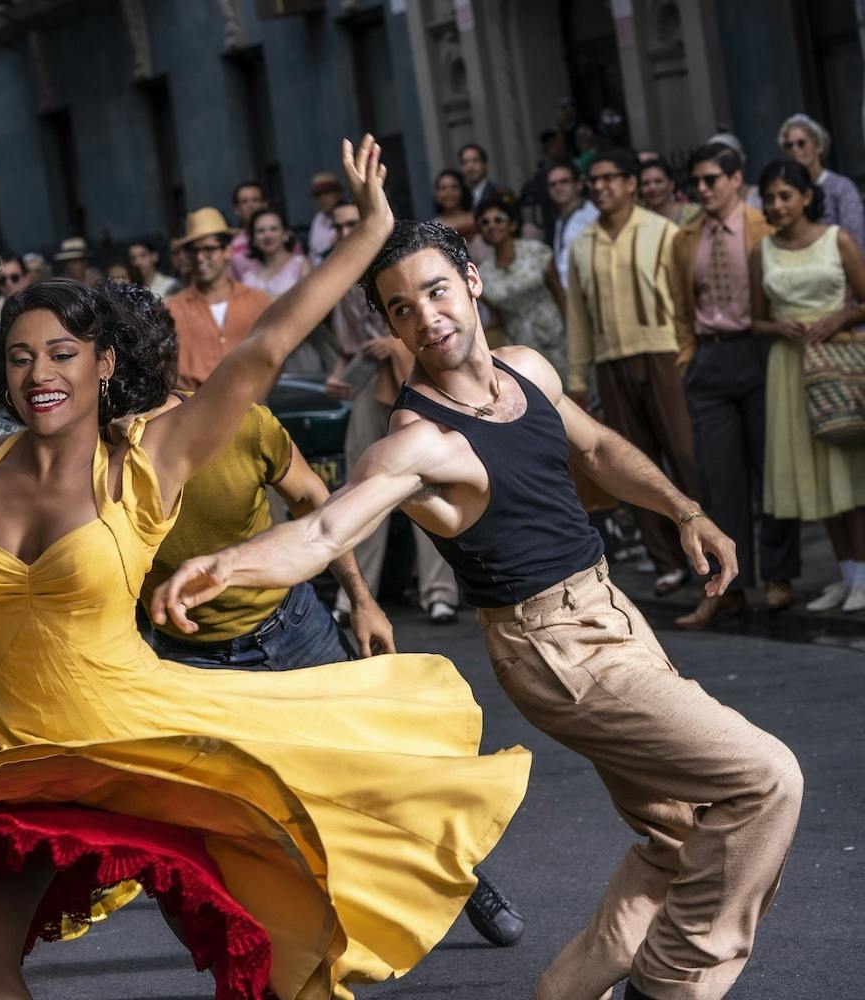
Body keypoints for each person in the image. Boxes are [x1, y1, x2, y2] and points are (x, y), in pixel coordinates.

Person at [0, 137, 531, 1000]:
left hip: (134, 736)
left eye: (61, 354)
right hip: (9, 747)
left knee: (264, 917)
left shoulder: (147, 459)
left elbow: (263, 349)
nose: (38, 373)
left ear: (102, 365)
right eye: (18, 357)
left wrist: (366, 233)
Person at [153, 218, 804, 1000]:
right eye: (400, 309)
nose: (426, 317)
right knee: (765, 779)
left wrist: (683, 507)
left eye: (434, 291)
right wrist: (226, 563)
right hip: (557, 651)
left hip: (611, 613)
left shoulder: (525, 369)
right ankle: (669, 985)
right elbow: (326, 527)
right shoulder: (419, 441)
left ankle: (565, 991)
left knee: (676, 838)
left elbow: (596, 449)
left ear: (471, 281)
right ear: (388, 326)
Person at [123, 286, 525, 948]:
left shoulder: (242, 425)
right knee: (247, 817)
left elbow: (318, 507)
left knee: (382, 766)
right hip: (193, 662)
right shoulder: (94, 462)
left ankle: (461, 873)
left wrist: (362, 601)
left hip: (293, 631)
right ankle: (298, 947)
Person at [667, 145, 803, 627]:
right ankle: (729, 588)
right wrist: (688, 357)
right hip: (709, 356)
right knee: (720, 480)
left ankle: (779, 577)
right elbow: (681, 306)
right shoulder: (685, 238)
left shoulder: (763, 227)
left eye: (711, 180)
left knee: (773, 473)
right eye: (696, 181)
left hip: (759, 350)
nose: (702, 189)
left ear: (735, 180)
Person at [566, 148, 700, 595]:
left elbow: (684, 302)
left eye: (609, 178)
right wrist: (578, 379)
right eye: (594, 180)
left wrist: (684, 352)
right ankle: (665, 560)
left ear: (630, 183)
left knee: (683, 454)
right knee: (630, 461)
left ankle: (703, 546)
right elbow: (579, 317)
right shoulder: (582, 243)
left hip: (662, 354)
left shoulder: (662, 231)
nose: (600, 187)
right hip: (610, 360)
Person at [325, 200, 464, 625]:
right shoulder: (343, 278)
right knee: (361, 489)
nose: (349, 229)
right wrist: (341, 372)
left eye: (356, 220)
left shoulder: (406, 262)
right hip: (371, 385)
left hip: (422, 378)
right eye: (341, 224)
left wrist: (395, 344)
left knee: (429, 484)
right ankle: (355, 595)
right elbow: (348, 345)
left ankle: (439, 591)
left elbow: (436, 323)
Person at [751, 160, 865, 613]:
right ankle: (846, 574)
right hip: (790, 366)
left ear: (805, 197)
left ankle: (863, 573)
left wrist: (838, 316)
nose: (776, 205)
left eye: (784, 195)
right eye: (769, 197)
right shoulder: (762, 250)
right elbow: (753, 319)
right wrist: (780, 328)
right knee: (818, 476)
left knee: (848, 469)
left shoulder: (837, 239)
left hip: (838, 358)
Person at [164, 207, 272, 389]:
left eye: (209, 249)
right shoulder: (173, 308)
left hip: (253, 407)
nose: (200, 257)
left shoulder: (257, 301)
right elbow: (166, 367)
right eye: (194, 251)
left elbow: (274, 355)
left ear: (227, 251)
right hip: (195, 410)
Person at [475, 191, 568, 380]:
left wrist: (576, 337)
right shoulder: (482, 273)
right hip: (521, 350)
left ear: (513, 224)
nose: (492, 225)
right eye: (485, 222)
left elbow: (560, 295)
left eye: (498, 219)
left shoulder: (537, 252)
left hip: (557, 338)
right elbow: (496, 318)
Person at [778, 112, 865, 250]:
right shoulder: (786, 191)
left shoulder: (841, 187)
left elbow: (855, 239)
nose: (795, 149)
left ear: (818, 146)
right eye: (789, 146)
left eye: (801, 143)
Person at [240, 206, 311, 300]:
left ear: (285, 234)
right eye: (260, 231)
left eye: (273, 229)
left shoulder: (301, 265)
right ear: (253, 238)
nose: (267, 235)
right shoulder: (249, 277)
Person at [547, 162, 600, 288]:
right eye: (552, 184)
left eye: (564, 181)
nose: (558, 187)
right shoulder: (559, 221)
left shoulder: (593, 214)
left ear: (578, 185)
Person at [227, 178, 270, 281]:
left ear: (265, 204)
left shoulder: (284, 238)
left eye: (255, 200)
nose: (250, 205)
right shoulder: (231, 248)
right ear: (236, 210)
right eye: (244, 201)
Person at [638, 160, 699, 227]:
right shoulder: (639, 220)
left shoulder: (695, 214)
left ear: (671, 185)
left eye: (658, 181)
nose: (652, 188)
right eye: (646, 183)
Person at [431, 168, 478, 252]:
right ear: (437, 194)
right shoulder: (433, 227)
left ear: (462, 191)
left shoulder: (477, 219)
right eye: (443, 188)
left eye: (454, 187)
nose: (449, 192)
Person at [306, 171, 345, 265]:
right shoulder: (318, 219)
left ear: (338, 193)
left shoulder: (349, 212)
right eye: (317, 195)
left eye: (327, 192)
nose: (322, 198)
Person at [458, 142, 505, 209]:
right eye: (465, 162)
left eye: (475, 161)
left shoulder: (499, 194)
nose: (470, 167)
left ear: (485, 165)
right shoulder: (459, 197)